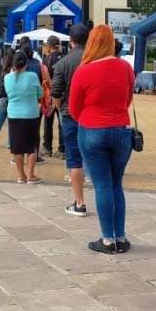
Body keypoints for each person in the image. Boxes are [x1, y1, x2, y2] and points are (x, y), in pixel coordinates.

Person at [69, 25, 134, 254]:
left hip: (92, 130)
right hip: (121, 129)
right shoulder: (125, 67)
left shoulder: (83, 70)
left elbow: (74, 108)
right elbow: (128, 99)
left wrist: (89, 119)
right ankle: (120, 237)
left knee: (102, 184)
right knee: (116, 184)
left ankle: (107, 239)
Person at [52, 24, 90, 216]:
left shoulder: (62, 64)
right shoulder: (96, 61)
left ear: (71, 40)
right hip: (93, 115)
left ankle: (80, 202)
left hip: (69, 114)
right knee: (95, 157)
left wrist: (60, 109)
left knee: (74, 159)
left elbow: (56, 92)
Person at [5, 51, 43, 184]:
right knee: (32, 145)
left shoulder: (7, 78)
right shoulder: (32, 76)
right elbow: (40, 93)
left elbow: (8, 94)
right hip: (31, 114)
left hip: (14, 114)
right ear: (26, 63)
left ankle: (21, 175)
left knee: (17, 146)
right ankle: (31, 175)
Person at [41, 35, 65, 159]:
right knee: (62, 122)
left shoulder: (46, 60)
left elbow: (44, 78)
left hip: (50, 96)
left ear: (49, 47)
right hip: (64, 95)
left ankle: (47, 147)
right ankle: (62, 149)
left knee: (48, 122)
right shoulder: (65, 58)